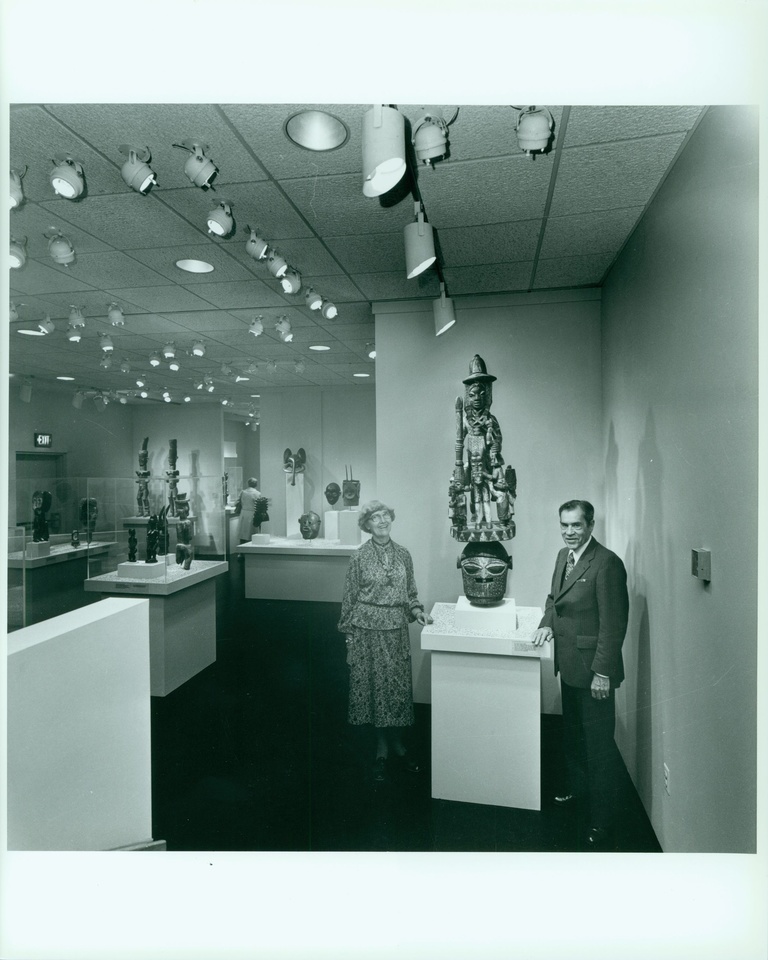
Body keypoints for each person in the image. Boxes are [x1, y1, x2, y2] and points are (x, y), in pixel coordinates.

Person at [532, 499, 629, 850]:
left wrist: (602, 672)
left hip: (593, 673)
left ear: (590, 525)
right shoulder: (563, 557)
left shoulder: (607, 563)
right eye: (564, 525)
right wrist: (546, 624)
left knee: (600, 747)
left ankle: (603, 821)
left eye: (576, 525)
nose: (569, 532)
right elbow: (553, 599)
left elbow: (614, 625)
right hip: (569, 665)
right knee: (573, 737)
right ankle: (576, 791)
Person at [338, 500, 432, 782]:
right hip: (367, 632)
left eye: (385, 516)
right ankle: (382, 747)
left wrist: (417, 611)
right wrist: (349, 637)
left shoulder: (404, 554)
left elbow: (411, 593)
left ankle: (398, 744)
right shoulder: (358, 556)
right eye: (375, 518)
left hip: (396, 632)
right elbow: (349, 598)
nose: (382, 521)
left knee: (397, 690)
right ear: (367, 525)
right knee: (375, 691)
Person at [235, 477, 262, 544]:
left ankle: (241, 550)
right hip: (253, 514)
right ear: (256, 484)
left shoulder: (243, 492)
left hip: (243, 514)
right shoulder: (257, 493)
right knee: (252, 532)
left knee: (243, 532)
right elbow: (259, 505)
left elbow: (237, 502)